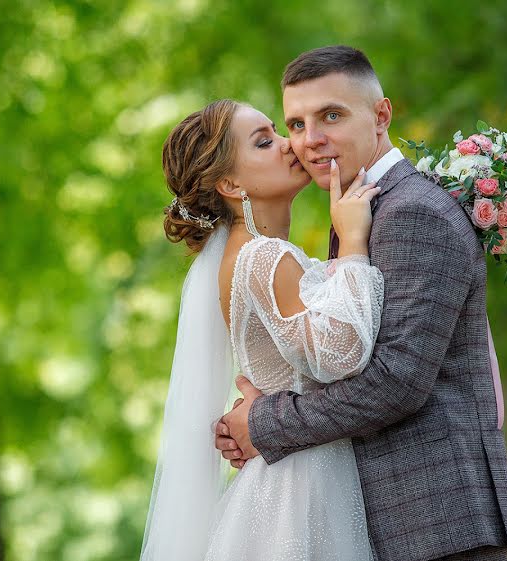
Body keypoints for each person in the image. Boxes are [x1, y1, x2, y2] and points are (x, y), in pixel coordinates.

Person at [215, 46, 507, 561]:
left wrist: (265, 423)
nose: (309, 141)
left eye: (330, 116)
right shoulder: (361, 211)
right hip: (395, 522)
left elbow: (396, 381)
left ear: (381, 116)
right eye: (295, 123)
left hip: (436, 521)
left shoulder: (412, 213)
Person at [141, 98, 384, 560]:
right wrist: (353, 244)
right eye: (264, 142)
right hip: (303, 483)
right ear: (231, 183)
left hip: (285, 473)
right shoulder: (263, 257)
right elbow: (341, 355)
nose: (290, 144)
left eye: (276, 130)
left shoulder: (251, 254)